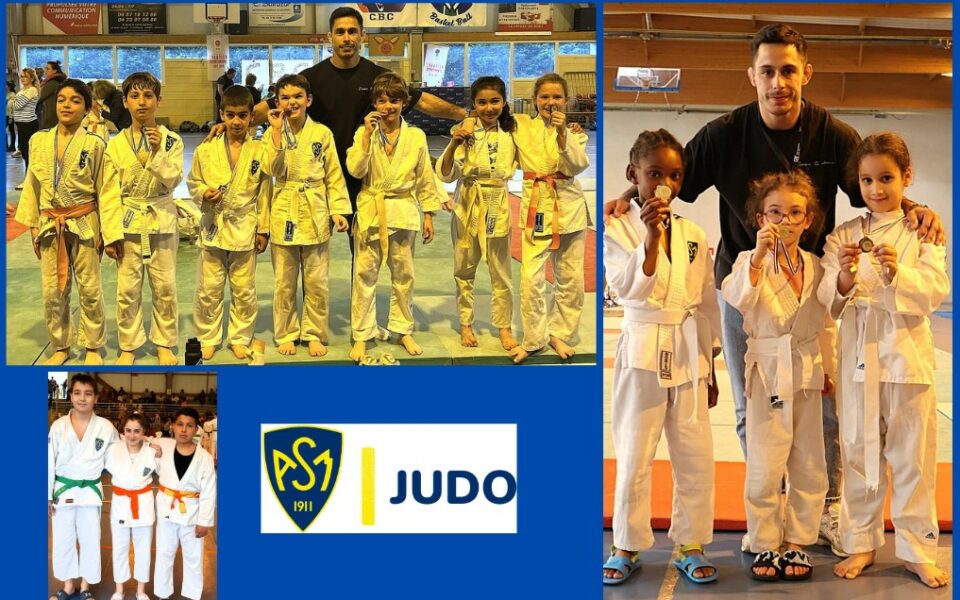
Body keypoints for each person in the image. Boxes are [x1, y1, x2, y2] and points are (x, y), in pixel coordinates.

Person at [605, 23, 944, 553]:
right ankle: (764, 512)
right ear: (752, 75)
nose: (778, 82)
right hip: (744, 287)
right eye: (767, 71)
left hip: (812, 286)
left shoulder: (832, 134)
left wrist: (917, 208)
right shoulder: (723, 134)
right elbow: (668, 173)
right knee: (752, 408)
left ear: (806, 73)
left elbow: (878, 181)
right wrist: (628, 195)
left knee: (823, 407)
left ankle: (825, 508)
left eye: (788, 70)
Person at [206, 6, 466, 258]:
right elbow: (271, 105)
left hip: (363, 179)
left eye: (352, 31)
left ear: (362, 36)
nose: (346, 38)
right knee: (312, 253)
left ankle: (357, 291)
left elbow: (421, 101)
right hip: (320, 179)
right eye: (340, 32)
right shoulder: (312, 78)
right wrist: (233, 122)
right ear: (330, 37)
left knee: (363, 258)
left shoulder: (377, 76)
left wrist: (464, 114)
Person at [819, 133, 950, 588]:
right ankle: (861, 541)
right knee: (858, 452)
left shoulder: (923, 231)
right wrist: (842, 276)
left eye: (886, 178)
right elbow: (827, 299)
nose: (876, 189)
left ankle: (917, 550)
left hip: (907, 356)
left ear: (906, 177)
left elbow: (936, 289)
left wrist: (899, 273)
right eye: (867, 180)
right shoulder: (844, 234)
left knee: (913, 457)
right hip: (858, 357)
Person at [602, 130, 721, 585]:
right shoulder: (618, 226)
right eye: (654, 173)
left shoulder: (693, 233)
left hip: (689, 352)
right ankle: (626, 544)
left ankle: (691, 542)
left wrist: (711, 363)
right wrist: (651, 237)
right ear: (633, 175)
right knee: (635, 451)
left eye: (675, 175)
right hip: (642, 348)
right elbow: (626, 288)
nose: (665, 184)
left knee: (695, 453)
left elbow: (705, 300)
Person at [722, 171, 833, 580]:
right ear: (760, 219)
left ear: (808, 220)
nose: (785, 220)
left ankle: (798, 541)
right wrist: (756, 256)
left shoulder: (817, 266)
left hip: (806, 370)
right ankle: (765, 541)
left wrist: (829, 367)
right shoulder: (747, 262)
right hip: (767, 372)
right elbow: (736, 297)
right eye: (775, 212)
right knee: (765, 464)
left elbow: (827, 322)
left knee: (809, 462)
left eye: (795, 212)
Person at [346, 72, 445, 362]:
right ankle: (362, 334)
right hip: (371, 210)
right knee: (364, 275)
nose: (388, 106)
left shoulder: (416, 136)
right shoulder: (364, 133)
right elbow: (355, 170)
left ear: (404, 103)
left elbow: (425, 176)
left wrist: (429, 213)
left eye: (394, 100)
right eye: (381, 101)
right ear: (374, 103)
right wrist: (366, 137)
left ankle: (402, 330)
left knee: (404, 275)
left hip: (403, 210)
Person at [14, 78, 109, 366]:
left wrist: (105, 230)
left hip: (84, 220)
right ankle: (61, 345)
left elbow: (105, 189)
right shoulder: (39, 140)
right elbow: (32, 185)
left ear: (87, 108)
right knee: (52, 290)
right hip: (48, 223)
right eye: (61, 100)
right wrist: (32, 225)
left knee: (90, 287)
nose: (66, 106)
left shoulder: (95, 143)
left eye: (75, 101)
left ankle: (93, 345)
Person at [100, 72, 184, 365]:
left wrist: (158, 151)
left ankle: (164, 342)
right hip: (128, 223)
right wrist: (110, 234)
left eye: (148, 96)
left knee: (165, 287)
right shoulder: (115, 144)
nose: (142, 102)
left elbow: (174, 179)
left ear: (159, 100)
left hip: (162, 219)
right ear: (125, 102)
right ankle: (129, 344)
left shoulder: (172, 141)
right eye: (134, 96)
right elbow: (108, 193)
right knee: (127, 290)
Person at [264, 73, 351, 357]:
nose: (291, 102)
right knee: (284, 281)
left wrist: (338, 209)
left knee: (316, 281)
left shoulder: (322, 134)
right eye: (285, 98)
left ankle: (314, 333)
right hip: (284, 206)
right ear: (276, 102)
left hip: (315, 207)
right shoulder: (271, 133)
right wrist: (276, 132)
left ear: (308, 100)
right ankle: (287, 333)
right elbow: (272, 171)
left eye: (297, 96)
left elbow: (333, 174)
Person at [509, 72, 590, 364]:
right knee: (531, 278)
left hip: (569, 205)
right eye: (544, 96)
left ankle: (560, 333)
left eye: (557, 97)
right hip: (537, 205)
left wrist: (563, 133)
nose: (550, 102)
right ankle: (533, 339)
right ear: (534, 100)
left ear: (566, 101)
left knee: (570, 277)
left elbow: (577, 166)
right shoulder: (520, 126)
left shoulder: (576, 133)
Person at [188, 84, 272, 360]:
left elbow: (265, 192)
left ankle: (240, 337)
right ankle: (208, 336)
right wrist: (203, 192)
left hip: (245, 225)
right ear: (222, 114)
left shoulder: (260, 150)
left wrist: (263, 229)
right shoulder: (206, 150)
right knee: (209, 288)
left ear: (251, 117)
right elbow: (193, 181)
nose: (236, 121)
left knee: (244, 288)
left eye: (243, 115)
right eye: (231, 115)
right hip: (214, 225)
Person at [436, 76, 519, 351]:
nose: (489, 108)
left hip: (497, 201)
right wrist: (454, 143)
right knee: (464, 267)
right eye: (482, 102)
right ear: (473, 104)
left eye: (495, 101)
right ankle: (466, 323)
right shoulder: (464, 131)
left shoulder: (512, 133)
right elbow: (446, 174)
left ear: (504, 102)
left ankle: (504, 326)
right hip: (468, 201)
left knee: (501, 270)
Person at [48, 374, 120, 600]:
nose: (82, 398)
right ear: (70, 396)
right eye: (77, 393)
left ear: (96, 398)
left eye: (88, 394)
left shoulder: (106, 427)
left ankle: (85, 587)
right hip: (63, 490)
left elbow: (119, 457)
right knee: (63, 540)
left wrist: (147, 448)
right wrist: (47, 495)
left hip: (90, 493)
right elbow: (48, 461)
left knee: (90, 540)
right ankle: (68, 586)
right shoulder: (58, 426)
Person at [153, 408, 217, 600]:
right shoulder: (163, 445)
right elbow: (139, 440)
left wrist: (204, 521)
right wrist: (152, 450)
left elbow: (209, 491)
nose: (183, 430)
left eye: (189, 426)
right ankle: (162, 594)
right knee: (164, 554)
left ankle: (192, 595)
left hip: (192, 514)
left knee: (193, 558)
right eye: (180, 424)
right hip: (166, 510)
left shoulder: (204, 458)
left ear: (196, 429)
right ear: (172, 426)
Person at [104, 413, 157, 600]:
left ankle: (141, 591)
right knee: (119, 548)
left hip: (143, 503)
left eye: (137, 431)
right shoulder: (113, 449)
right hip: (121, 502)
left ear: (144, 432)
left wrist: (152, 442)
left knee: (143, 550)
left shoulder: (152, 451)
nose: (132, 435)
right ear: (123, 431)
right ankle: (119, 589)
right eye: (128, 430)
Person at [11, 67, 40, 190]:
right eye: (21, 76)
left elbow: (17, 105)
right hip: (22, 125)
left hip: (28, 124)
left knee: (28, 153)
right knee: (24, 152)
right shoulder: (23, 90)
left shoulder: (32, 90)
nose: (22, 78)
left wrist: (13, 99)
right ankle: (29, 179)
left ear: (32, 78)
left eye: (25, 76)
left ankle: (29, 180)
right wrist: (14, 99)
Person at [39, 60, 67, 129]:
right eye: (45, 68)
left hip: (50, 115)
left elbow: (39, 97)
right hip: (53, 113)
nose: (45, 71)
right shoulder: (56, 81)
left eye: (48, 69)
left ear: (54, 71)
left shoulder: (52, 83)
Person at [6, 81, 17, 151]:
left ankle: (12, 146)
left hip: (9, 116)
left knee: (11, 131)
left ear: (9, 87)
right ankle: (6, 146)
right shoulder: (6, 94)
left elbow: (11, 107)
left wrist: (11, 117)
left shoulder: (12, 95)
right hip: (5, 115)